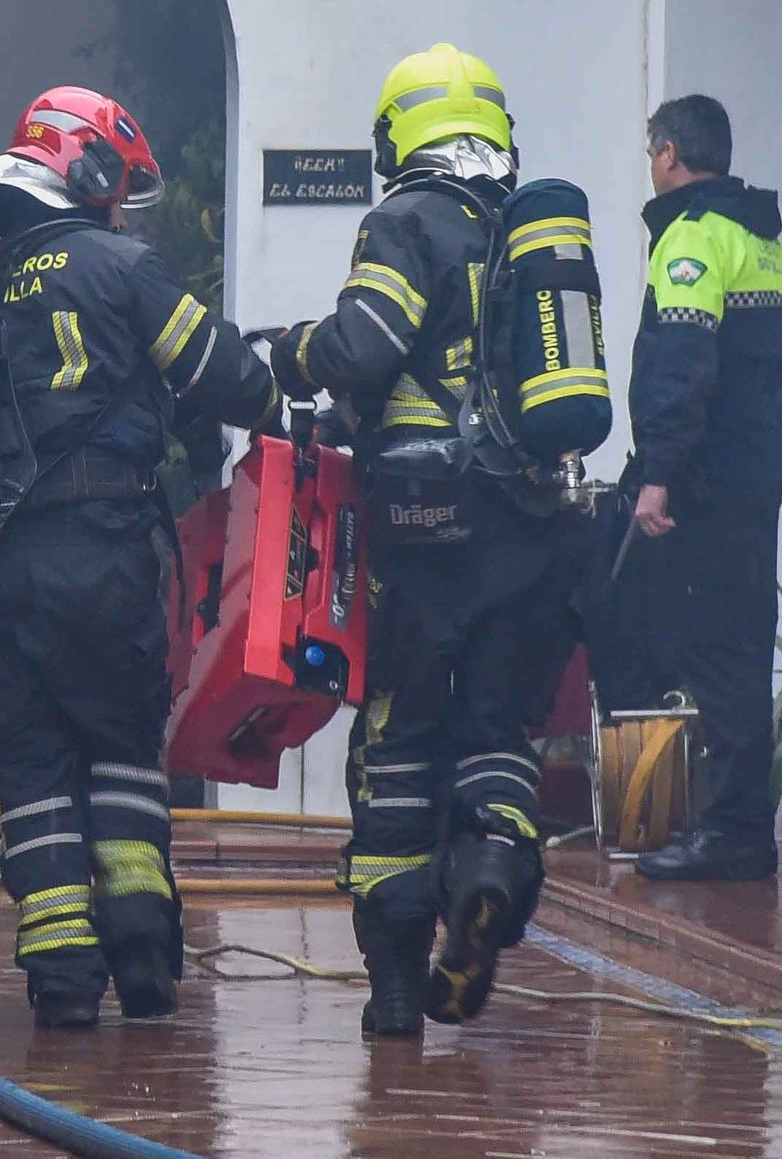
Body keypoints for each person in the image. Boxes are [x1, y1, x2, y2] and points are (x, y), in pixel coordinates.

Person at [0, 85, 280, 1029]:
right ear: (86, 172)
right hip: (100, 552)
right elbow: (230, 380)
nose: (123, 206)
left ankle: (59, 979)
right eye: (118, 185)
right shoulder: (121, 266)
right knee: (122, 751)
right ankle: (140, 951)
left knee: (36, 774)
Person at [269, 44, 581, 1036]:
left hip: (426, 522)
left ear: (399, 131)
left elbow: (363, 343)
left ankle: (396, 981)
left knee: (397, 740)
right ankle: (489, 868)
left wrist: (289, 351)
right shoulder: (524, 229)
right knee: (495, 731)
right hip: (528, 526)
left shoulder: (406, 219)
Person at [626, 95, 782, 881]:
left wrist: (659, 474)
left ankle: (730, 831)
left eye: (652, 153)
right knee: (741, 644)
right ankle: (739, 826)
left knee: (711, 650)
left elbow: (682, 364)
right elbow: (779, 374)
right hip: (755, 471)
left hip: (706, 478)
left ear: (669, 154)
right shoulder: (762, 241)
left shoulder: (692, 239)